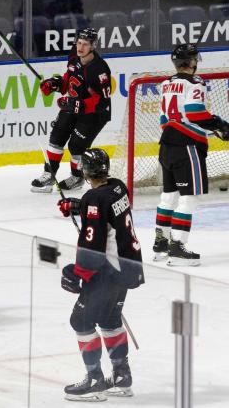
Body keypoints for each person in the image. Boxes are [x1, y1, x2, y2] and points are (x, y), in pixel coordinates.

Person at [56, 148, 144, 401]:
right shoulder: (118, 188)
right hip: (127, 267)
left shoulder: (94, 200)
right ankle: (121, 377)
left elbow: (93, 243)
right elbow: (101, 209)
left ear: (85, 171)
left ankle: (94, 380)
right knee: (109, 319)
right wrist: (78, 206)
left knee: (81, 322)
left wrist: (79, 272)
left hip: (107, 270)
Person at [152, 44, 229, 266]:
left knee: (169, 196)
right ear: (193, 62)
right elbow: (195, 113)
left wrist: (208, 128)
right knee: (189, 198)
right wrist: (219, 124)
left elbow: (164, 120)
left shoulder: (166, 84)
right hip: (187, 147)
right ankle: (177, 249)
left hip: (166, 145)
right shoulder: (195, 83)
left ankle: (161, 246)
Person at [32, 27, 112, 193]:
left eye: (85, 44)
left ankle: (77, 177)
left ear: (93, 46)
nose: (80, 47)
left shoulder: (100, 69)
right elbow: (70, 79)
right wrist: (55, 84)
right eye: (79, 43)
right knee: (57, 137)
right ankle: (49, 175)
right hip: (74, 105)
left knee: (76, 146)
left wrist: (77, 105)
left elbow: (102, 101)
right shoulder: (74, 56)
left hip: (94, 114)